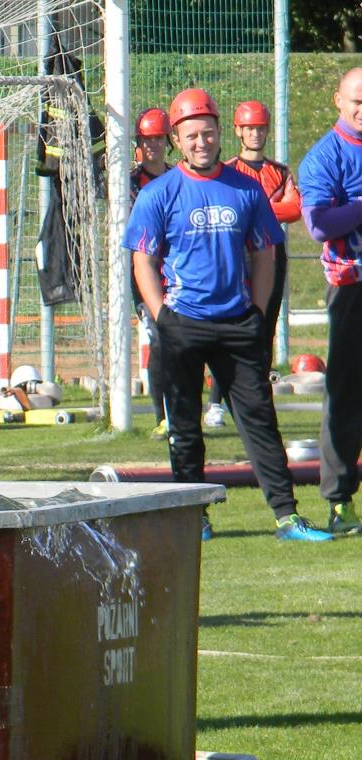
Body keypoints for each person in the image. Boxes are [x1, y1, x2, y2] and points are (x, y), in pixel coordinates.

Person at [125, 88, 330, 543]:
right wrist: (163, 316)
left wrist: (257, 312)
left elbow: (265, 252)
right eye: (192, 135)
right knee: (184, 424)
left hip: (237, 322)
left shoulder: (247, 189)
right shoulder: (159, 193)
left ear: (221, 134)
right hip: (183, 322)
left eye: (209, 132)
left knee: (259, 420)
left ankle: (287, 516)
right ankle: (193, 516)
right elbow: (143, 259)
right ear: (178, 141)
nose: (202, 142)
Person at [212, 99, 303, 424]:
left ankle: (257, 401)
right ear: (238, 130)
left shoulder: (278, 171)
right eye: (249, 128)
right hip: (237, 260)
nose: (255, 133)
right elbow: (233, 208)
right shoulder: (229, 170)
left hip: (273, 259)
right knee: (230, 329)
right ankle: (216, 404)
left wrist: (256, 207)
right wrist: (267, 205)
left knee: (264, 331)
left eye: (260, 128)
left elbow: (295, 209)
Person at [299, 67, 362, 536]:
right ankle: (340, 501)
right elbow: (320, 225)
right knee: (344, 393)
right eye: (356, 100)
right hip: (351, 287)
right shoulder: (325, 156)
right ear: (337, 101)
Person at [130, 107, 174, 435]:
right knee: (159, 340)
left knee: (181, 342)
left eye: (158, 138)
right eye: (147, 139)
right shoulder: (129, 184)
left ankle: (184, 408)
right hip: (145, 278)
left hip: (177, 275)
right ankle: (161, 415)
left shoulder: (178, 178)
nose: (153, 145)